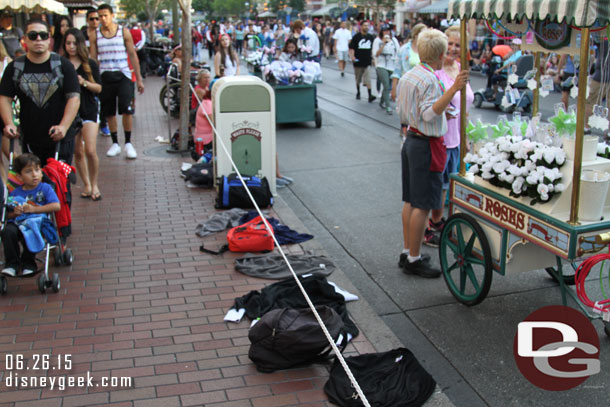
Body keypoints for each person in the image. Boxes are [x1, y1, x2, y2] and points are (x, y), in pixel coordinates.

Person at [397, 28, 469, 278]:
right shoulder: (430, 79)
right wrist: (452, 91)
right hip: (425, 143)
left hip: (412, 139)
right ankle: (414, 259)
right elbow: (429, 112)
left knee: (410, 200)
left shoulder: (411, 75)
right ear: (439, 54)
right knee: (423, 205)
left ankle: (408, 251)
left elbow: (412, 111)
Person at [0, 18, 80, 165]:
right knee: (32, 183)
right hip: (30, 137)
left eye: (43, 35)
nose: (38, 39)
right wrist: (9, 123)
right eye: (33, 35)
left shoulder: (64, 65)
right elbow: (5, 98)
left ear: (49, 39)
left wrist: (64, 126)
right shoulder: (14, 67)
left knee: (59, 184)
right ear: (24, 39)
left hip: (60, 138)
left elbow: (74, 98)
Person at [424, 25, 474, 247]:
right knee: (435, 185)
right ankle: (430, 226)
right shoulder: (436, 72)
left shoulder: (462, 69)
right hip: (440, 138)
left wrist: (468, 137)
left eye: (458, 45)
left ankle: (440, 222)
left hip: (457, 139)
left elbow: (466, 107)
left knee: (448, 185)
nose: (453, 49)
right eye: (450, 44)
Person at [89, 3, 144, 160]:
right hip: (105, 76)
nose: (103, 19)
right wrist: (93, 80)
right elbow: (93, 59)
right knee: (109, 111)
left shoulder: (123, 32)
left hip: (123, 75)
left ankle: (128, 142)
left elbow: (133, 55)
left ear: (112, 15)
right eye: (100, 16)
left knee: (127, 109)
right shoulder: (95, 35)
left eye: (105, 15)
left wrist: (138, 79)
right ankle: (115, 143)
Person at [0, 153, 60, 277]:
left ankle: (29, 264)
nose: (34, 174)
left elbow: (56, 206)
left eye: (37, 170)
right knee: (7, 231)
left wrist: (34, 210)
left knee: (32, 229)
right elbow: (7, 215)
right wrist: (13, 213)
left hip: (37, 221)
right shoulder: (15, 193)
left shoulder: (46, 188)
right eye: (28, 172)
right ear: (20, 177)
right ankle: (12, 264)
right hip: (18, 223)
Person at [64, 28, 102, 202]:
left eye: (74, 43)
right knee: (77, 151)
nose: (71, 47)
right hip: (70, 111)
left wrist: (84, 82)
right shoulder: (62, 64)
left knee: (90, 150)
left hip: (88, 109)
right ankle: (86, 184)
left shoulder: (90, 64)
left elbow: (99, 88)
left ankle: (94, 184)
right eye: (68, 43)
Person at [391, 23, 426, 103]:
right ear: (416, 35)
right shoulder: (404, 49)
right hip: (407, 87)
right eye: (423, 34)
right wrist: (394, 89)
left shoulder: (427, 50)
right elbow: (397, 70)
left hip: (423, 88)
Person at [585, 38, 610, 134]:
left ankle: (586, 127)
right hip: (601, 74)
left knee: (590, 102)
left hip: (600, 75)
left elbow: (593, 40)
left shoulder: (604, 36)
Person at [373, 26, 400, 114]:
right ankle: (388, 106)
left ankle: (382, 101)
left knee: (388, 86)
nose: (386, 33)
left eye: (388, 31)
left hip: (392, 66)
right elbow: (376, 54)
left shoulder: (394, 40)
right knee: (386, 85)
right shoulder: (377, 41)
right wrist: (383, 44)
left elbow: (398, 52)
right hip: (381, 65)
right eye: (384, 31)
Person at [348, 21, 376, 102]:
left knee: (368, 79)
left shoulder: (371, 37)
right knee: (358, 78)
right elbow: (352, 48)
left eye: (367, 26)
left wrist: (373, 58)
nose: (366, 27)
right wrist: (352, 56)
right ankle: (358, 92)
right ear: (361, 27)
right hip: (358, 61)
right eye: (364, 25)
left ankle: (370, 95)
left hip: (367, 61)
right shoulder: (356, 37)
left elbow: (372, 48)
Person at [193, 71, 213, 151]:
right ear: (200, 79)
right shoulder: (200, 91)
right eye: (205, 78)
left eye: (208, 77)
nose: (207, 79)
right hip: (196, 109)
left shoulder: (207, 87)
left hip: (204, 111)